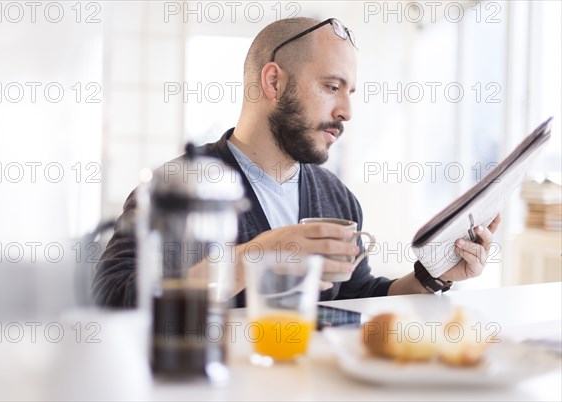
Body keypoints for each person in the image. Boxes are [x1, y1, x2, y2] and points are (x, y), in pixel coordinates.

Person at [93, 17, 501, 308]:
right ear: (273, 82)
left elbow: (355, 298)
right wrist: (250, 259)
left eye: (350, 91)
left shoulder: (336, 198)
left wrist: (434, 276)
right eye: (331, 86)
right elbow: (112, 300)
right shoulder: (177, 189)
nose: (346, 111)